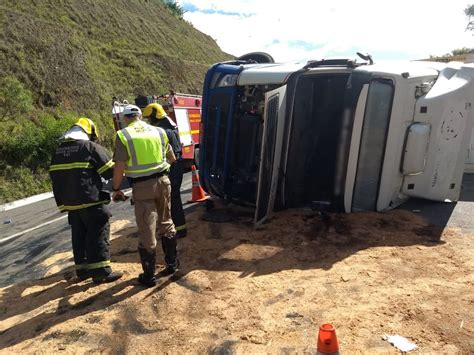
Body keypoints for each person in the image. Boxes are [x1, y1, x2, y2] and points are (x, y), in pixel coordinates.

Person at [49, 118, 123, 284]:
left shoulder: (58, 152)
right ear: (88, 133)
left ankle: (82, 271)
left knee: (79, 235)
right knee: (98, 232)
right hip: (91, 200)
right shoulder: (90, 147)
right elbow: (110, 171)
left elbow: (55, 179)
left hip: (70, 204)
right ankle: (101, 271)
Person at [112, 104, 179, 287]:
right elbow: (172, 159)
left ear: (126, 119)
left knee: (147, 228)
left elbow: (119, 166)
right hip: (163, 182)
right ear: (141, 116)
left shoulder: (123, 135)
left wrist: (116, 188)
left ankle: (149, 276)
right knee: (167, 222)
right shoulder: (159, 132)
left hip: (142, 187)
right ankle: (172, 265)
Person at [142, 103, 187, 238]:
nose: (149, 122)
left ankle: (175, 230)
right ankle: (180, 229)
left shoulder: (162, 132)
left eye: (149, 118)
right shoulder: (170, 128)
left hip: (171, 170)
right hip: (177, 167)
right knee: (175, 199)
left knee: (169, 201)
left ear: (155, 117)